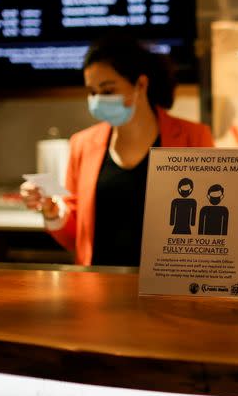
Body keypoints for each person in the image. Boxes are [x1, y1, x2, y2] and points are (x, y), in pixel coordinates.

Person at [21, 35, 214, 266]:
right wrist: (52, 210)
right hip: (99, 288)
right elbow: (76, 238)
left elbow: (207, 229)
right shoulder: (82, 144)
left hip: (169, 286)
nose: (97, 100)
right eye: (92, 92)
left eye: (108, 90)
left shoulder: (194, 138)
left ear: (141, 85)